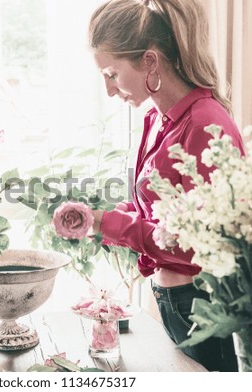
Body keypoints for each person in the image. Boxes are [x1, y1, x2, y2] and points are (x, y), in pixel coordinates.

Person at [89, 0, 245, 372]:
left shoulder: (207, 125)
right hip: (175, 304)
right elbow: (160, 211)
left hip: (204, 308)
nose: (110, 90)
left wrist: (105, 223)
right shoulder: (160, 121)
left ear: (150, 62)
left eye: (112, 73)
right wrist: (97, 217)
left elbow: (196, 244)